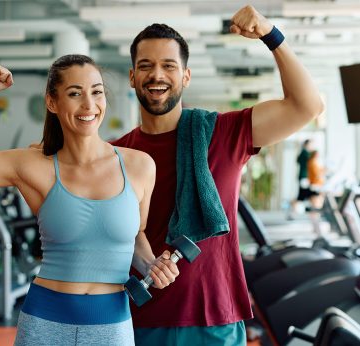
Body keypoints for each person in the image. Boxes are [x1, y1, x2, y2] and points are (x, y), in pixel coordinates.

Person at [0, 54, 179, 346]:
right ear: (52, 102)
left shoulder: (140, 166)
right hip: (44, 323)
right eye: (74, 93)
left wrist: (152, 266)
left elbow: (135, 237)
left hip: (111, 325)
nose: (89, 105)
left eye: (96, 92)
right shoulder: (32, 165)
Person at [110, 5, 324, 345]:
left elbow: (307, 106)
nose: (157, 75)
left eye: (169, 65)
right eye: (145, 66)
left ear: (186, 76)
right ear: (133, 76)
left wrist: (271, 35)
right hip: (140, 317)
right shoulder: (115, 154)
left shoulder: (223, 132)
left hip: (215, 319)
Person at [288, 139, 313, 219]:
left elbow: (297, 160)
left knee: (302, 197)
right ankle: (292, 212)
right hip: (304, 178)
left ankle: (292, 212)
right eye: (311, 145)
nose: (312, 147)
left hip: (303, 177)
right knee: (301, 197)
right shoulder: (306, 153)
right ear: (306, 145)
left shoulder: (302, 153)